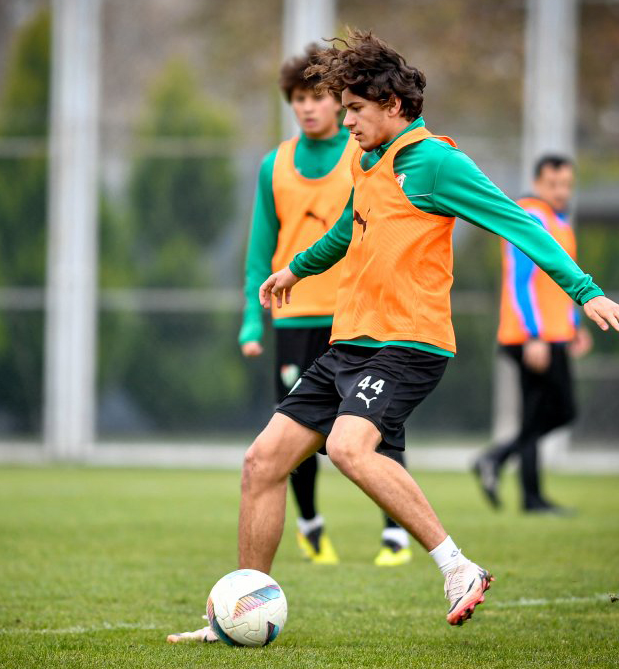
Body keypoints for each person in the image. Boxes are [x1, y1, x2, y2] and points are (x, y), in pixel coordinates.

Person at [168, 31, 619, 641]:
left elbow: (518, 223)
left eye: (355, 109)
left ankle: (458, 567)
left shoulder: (437, 162)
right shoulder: (365, 160)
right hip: (350, 344)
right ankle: (237, 613)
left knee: (349, 447)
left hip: (409, 343)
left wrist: (585, 291)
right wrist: (296, 269)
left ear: (392, 105)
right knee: (261, 462)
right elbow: (347, 230)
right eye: (344, 108)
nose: (345, 120)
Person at [238, 45, 412, 569]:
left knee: (374, 428)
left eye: (317, 97)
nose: (308, 107)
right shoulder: (274, 164)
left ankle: (395, 533)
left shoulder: (364, 154)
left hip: (354, 317)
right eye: (298, 99)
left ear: (338, 103)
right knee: (290, 431)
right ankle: (311, 527)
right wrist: (252, 320)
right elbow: (260, 252)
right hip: (295, 318)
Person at [474, 155, 592, 513]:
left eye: (566, 185)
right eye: (553, 184)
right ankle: (500, 462)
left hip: (553, 334)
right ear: (538, 182)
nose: (561, 191)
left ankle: (524, 490)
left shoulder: (558, 221)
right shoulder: (530, 215)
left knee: (540, 415)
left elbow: (560, 281)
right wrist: (534, 336)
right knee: (561, 410)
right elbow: (521, 282)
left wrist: (573, 325)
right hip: (533, 338)